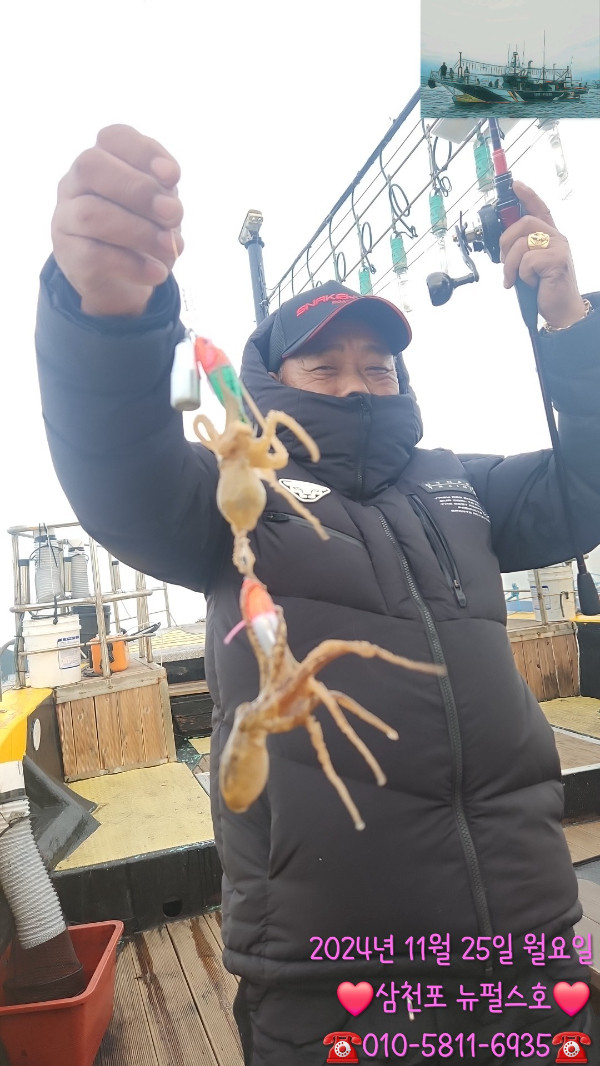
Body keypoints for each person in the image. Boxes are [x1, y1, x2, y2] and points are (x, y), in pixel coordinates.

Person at [36, 125, 600, 1064]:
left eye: (378, 366)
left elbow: (587, 485)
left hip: (527, 943)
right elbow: (122, 470)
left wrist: (569, 316)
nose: (359, 385)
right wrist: (111, 325)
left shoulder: (459, 482)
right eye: (324, 366)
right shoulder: (240, 496)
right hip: (333, 975)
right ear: (271, 383)